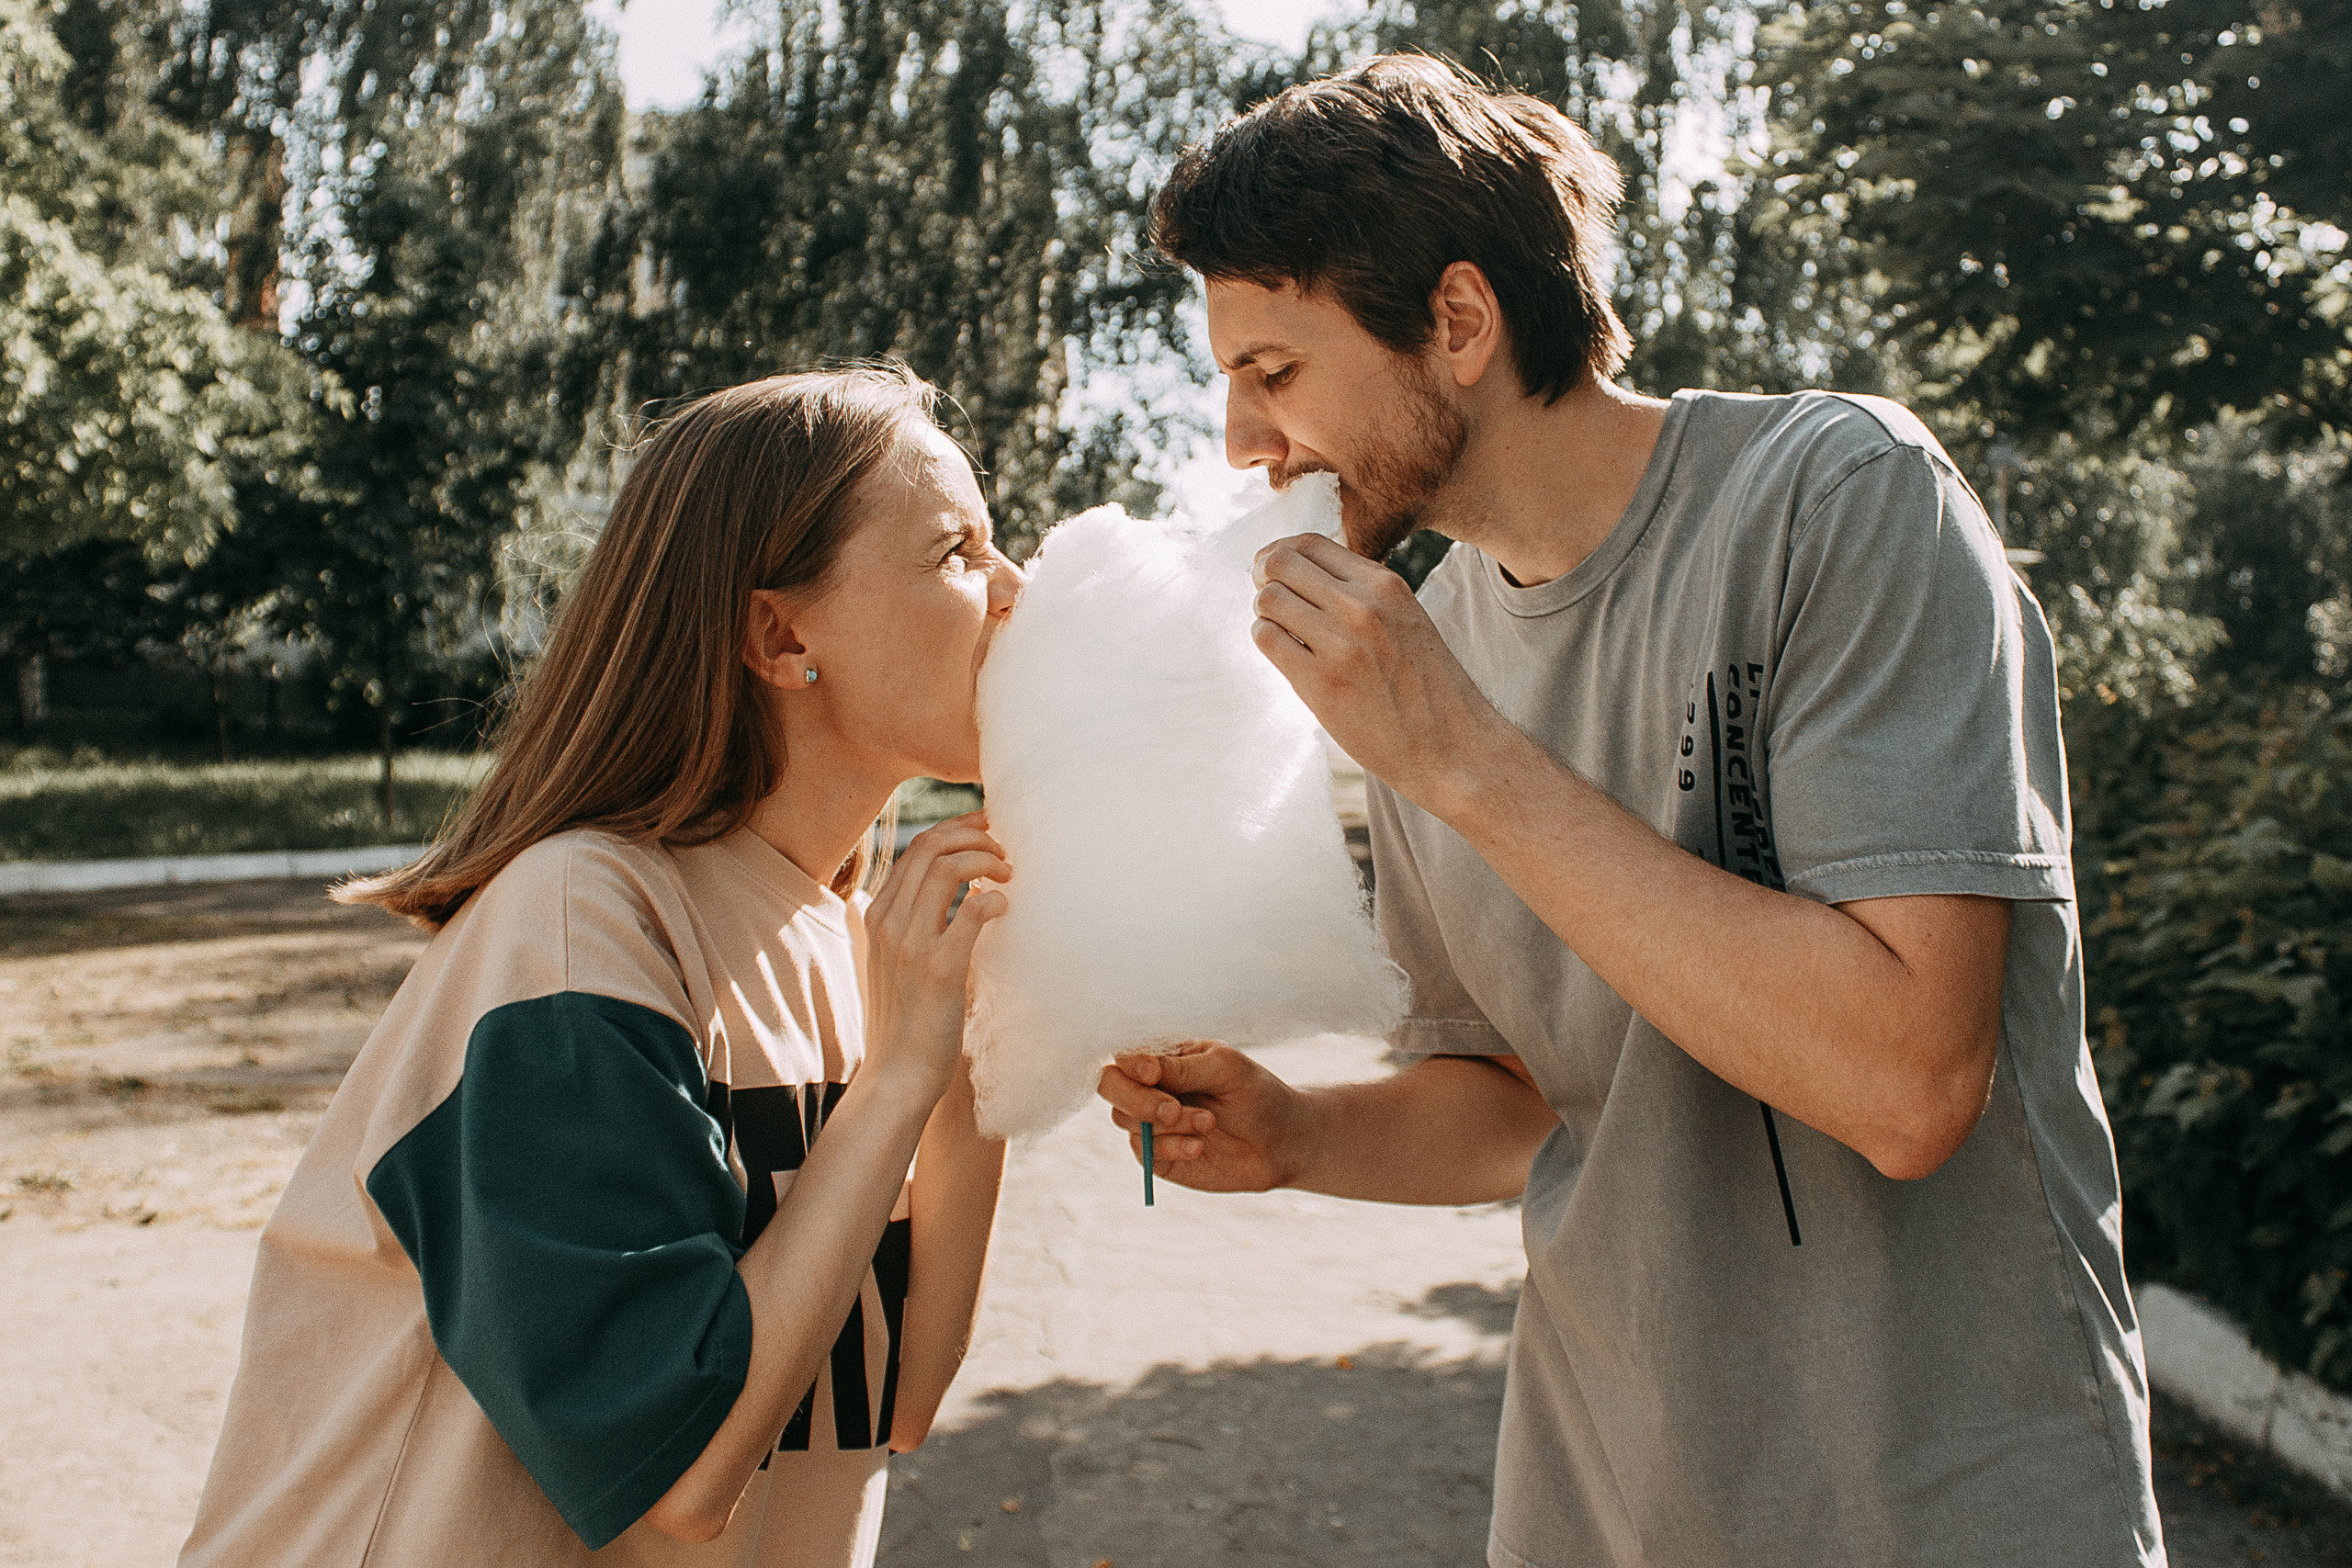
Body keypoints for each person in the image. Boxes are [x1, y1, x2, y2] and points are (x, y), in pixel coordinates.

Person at [1097, 55, 2164, 1567]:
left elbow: (1909, 1082)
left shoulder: (1838, 500)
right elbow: (1522, 1105)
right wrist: (1298, 1135)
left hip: (1952, 1513)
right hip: (1609, 1516)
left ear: (1457, 323)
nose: (1240, 444)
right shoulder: (1426, 652)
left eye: (1275, 371)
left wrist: (1459, 757)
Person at [181, 366, 1023, 1567]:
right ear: (781, 635)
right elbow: (676, 1470)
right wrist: (896, 1083)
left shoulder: (858, 942)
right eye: (958, 552)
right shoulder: (581, 924)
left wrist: (981, 1046)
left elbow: (897, 1398)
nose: (1016, 593)